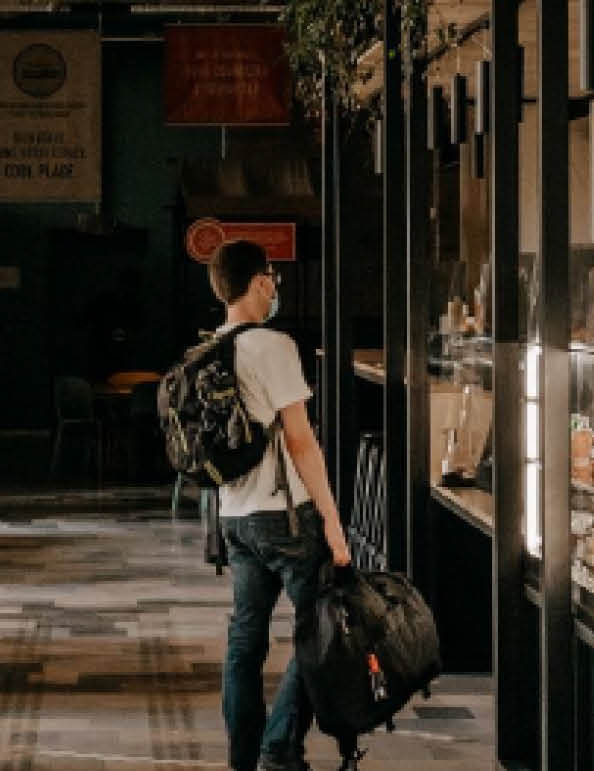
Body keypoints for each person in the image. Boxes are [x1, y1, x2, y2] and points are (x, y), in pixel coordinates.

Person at [206, 240, 353, 771]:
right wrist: (333, 522)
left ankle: (243, 758)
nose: (275, 291)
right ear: (261, 282)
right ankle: (279, 748)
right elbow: (300, 441)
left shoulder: (211, 348)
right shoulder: (273, 346)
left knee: (246, 640)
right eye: (272, 281)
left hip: (234, 518)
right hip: (286, 516)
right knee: (322, 630)